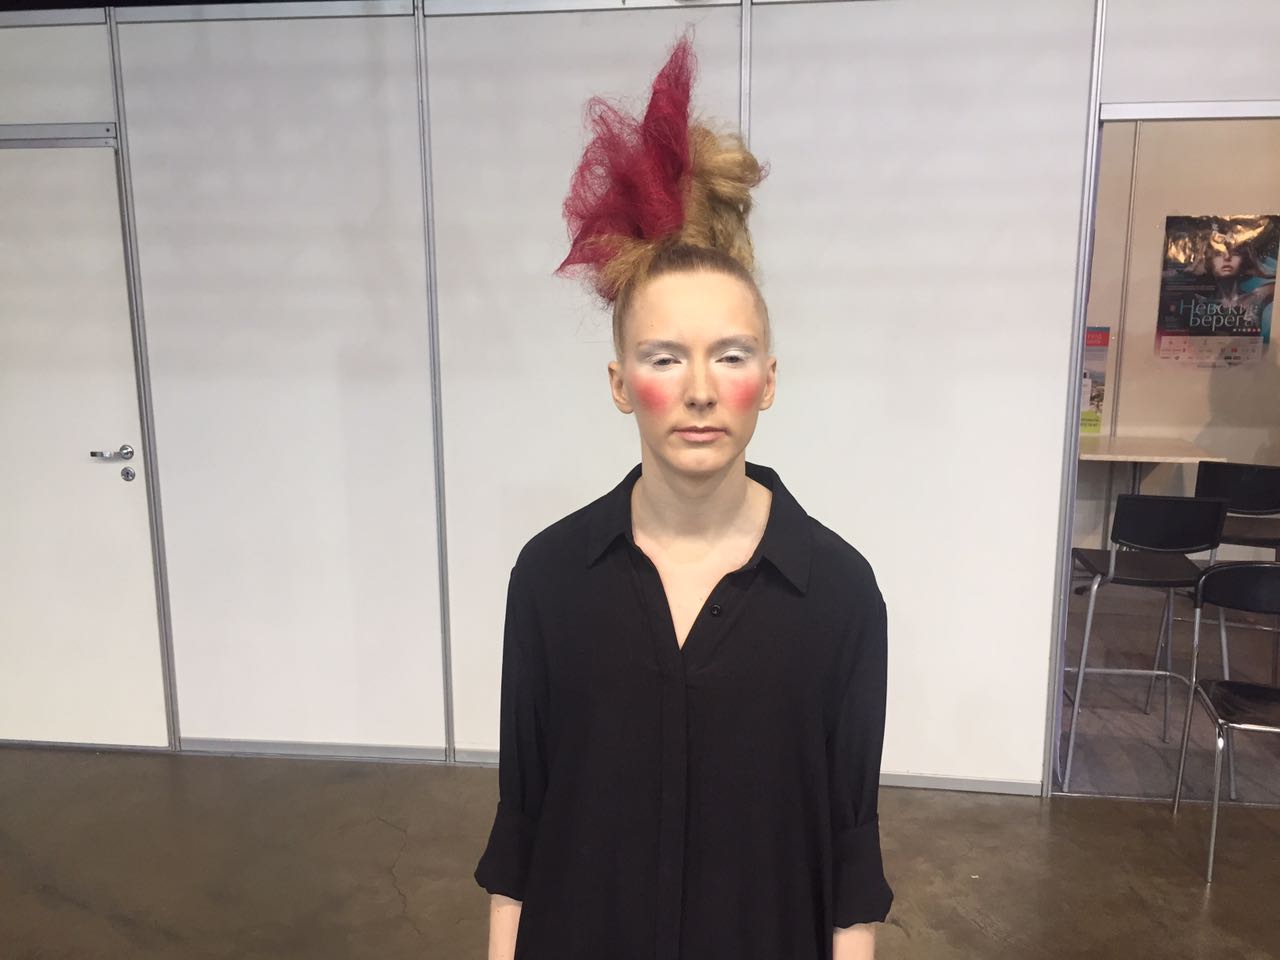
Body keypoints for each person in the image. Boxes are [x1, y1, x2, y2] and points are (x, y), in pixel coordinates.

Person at [474, 35, 893, 960]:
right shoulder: (550, 579)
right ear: (621, 383)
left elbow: (851, 869)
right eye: (665, 359)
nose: (700, 390)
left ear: (768, 380)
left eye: (729, 357)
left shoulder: (840, 596)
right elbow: (520, 834)